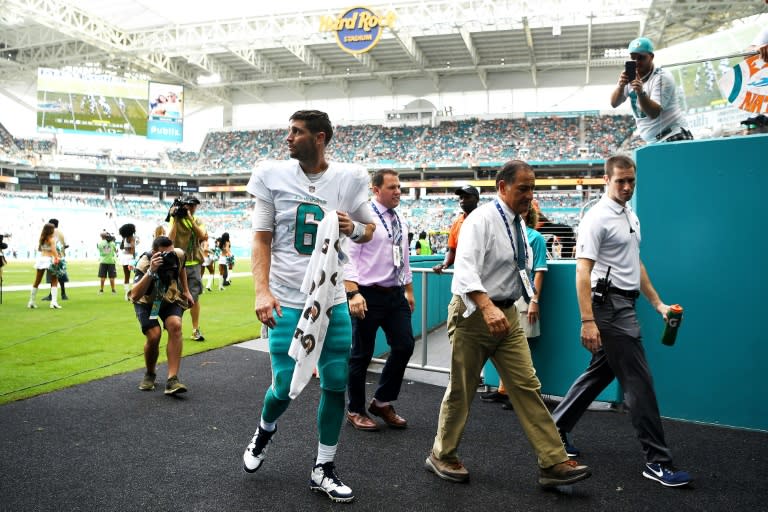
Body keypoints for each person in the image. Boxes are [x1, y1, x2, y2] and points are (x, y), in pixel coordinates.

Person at [425, 160, 591, 488]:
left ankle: (553, 462)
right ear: (502, 187)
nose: (529, 195)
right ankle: (441, 455)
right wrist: (487, 307)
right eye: (523, 188)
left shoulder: (517, 224)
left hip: (508, 314)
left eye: (532, 188)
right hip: (475, 314)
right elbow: (465, 270)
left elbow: (518, 269)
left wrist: (519, 303)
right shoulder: (481, 220)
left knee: (528, 386)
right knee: (463, 388)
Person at [242, 109, 376, 503]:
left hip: (331, 296)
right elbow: (261, 238)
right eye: (289, 130)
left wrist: (354, 228)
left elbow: (370, 229)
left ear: (319, 138)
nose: (288, 138)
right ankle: (265, 430)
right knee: (285, 385)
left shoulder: (348, 179)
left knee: (335, 381)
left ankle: (323, 467)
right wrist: (262, 292)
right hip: (287, 295)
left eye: (297, 132)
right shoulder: (271, 174)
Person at [552, 154, 692, 488]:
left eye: (631, 181)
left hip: (625, 302)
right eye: (620, 181)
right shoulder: (596, 218)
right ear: (606, 180)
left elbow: (635, 263)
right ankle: (658, 462)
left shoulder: (630, 213)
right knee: (638, 381)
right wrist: (587, 320)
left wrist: (656, 303)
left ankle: (554, 429)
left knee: (599, 372)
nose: (627, 187)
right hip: (610, 307)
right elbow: (582, 270)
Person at [344, 169, 415, 432]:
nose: (398, 191)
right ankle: (355, 409)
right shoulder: (363, 216)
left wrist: (408, 290)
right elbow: (348, 256)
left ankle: (382, 401)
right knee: (362, 354)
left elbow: (403, 257)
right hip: (367, 294)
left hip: (394, 293)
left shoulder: (399, 219)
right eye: (392, 187)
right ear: (376, 190)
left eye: (399, 186)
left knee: (405, 345)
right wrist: (353, 292)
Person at [480, 203, 548, 410]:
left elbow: (539, 270)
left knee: (519, 348)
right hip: (502, 296)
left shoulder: (535, 237)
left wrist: (534, 300)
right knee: (500, 344)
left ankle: (520, 395)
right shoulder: (503, 233)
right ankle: (503, 390)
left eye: (525, 209)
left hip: (524, 297)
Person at [130, 236, 194, 395]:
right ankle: (150, 373)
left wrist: (186, 290)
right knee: (154, 335)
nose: (169, 257)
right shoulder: (144, 263)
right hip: (146, 302)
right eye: (164, 254)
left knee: (175, 325)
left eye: (170, 253)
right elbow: (134, 296)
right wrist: (151, 270)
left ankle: (172, 380)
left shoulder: (178, 254)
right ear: (154, 253)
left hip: (168, 298)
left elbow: (182, 267)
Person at [610, 37, 692, 143]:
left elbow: (653, 113)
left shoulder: (662, 77)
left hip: (673, 135)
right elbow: (614, 103)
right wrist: (621, 86)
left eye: (641, 58)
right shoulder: (630, 75)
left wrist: (641, 93)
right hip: (654, 140)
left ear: (651, 57)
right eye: (633, 57)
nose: (636, 62)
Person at [168, 195, 208, 342]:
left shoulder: (197, 220)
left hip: (194, 263)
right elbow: (170, 238)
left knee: (194, 298)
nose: (191, 209)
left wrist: (190, 219)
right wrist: (175, 219)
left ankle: (195, 329)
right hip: (178, 263)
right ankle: (176, 328)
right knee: (177, 297)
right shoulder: (175, 219)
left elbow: (202, 235)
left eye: (193, 206)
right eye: (188, 206)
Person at [432, 185, 479, 274]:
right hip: (462, 275)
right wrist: (444, 264)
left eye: (467, 197)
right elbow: (452, 250)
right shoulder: (457, 222)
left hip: (482, 275)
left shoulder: (485, 219)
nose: (463, 200)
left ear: (477, 199)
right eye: (461, 197)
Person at [27, 223, 62, 309]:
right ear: (50, 230)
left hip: (41, 259)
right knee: (54, 280)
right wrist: (58, 258)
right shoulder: (51, 239)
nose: (54, 231)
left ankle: (31, 301)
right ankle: (53, 302)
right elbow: (54, 251)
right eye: (53, 229)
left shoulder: (41, 238)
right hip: (49, 260)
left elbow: (40, 249)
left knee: (37, 281)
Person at [41, 218, 69, 302]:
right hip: (61, 256)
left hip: (53, 257)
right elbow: (66, 245)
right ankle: (63, 294)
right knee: (61, 276)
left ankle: (51, 295)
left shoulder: (51, 233)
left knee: (52, 277)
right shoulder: (61, 233)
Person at [118, 223, 137, 301]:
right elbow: (132, 248)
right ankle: (135, 293)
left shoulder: (124, 238)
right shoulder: (132, 238)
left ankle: (126, 295)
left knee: (126, 276)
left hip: (124, 257)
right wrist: (134, 258)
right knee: (137, 275)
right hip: (130, 258)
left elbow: (121, 247)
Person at [97, 230, 118, 295]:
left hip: (103, 261)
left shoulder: (99, 243)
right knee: (112, 277)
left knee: (102, 277)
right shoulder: (112, 243)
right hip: (111, 261)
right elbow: (116, 251)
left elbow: (100, 250)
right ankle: (113, 290)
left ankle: (101, 290)